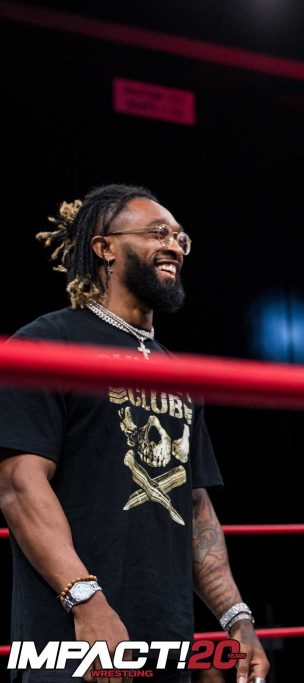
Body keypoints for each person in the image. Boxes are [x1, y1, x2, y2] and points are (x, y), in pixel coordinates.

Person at [0, 185, 268, 683]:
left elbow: (195, 507)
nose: (174, 246)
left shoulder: (177, 374)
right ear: (105, 247)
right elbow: (20, 484)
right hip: (72, 634)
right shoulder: (47, 344)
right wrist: (87, 603)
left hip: (165, 636)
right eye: (157, 232)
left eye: (180, 238)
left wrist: (237, 620)